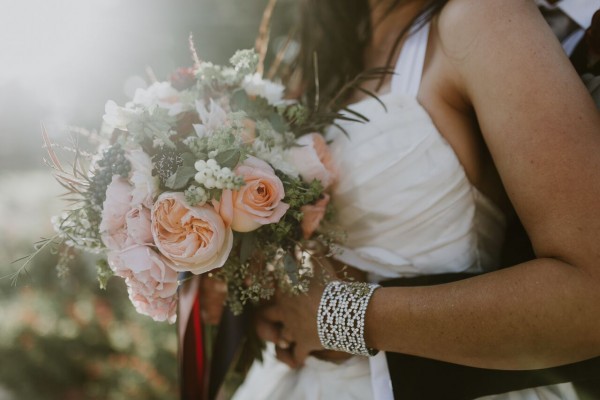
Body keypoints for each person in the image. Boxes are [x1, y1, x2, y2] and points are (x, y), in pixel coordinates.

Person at [227, 0, 600, 399]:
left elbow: (590, 296)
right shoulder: (319, 51)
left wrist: (340, 316)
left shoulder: (483, 18)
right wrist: (269, 293)